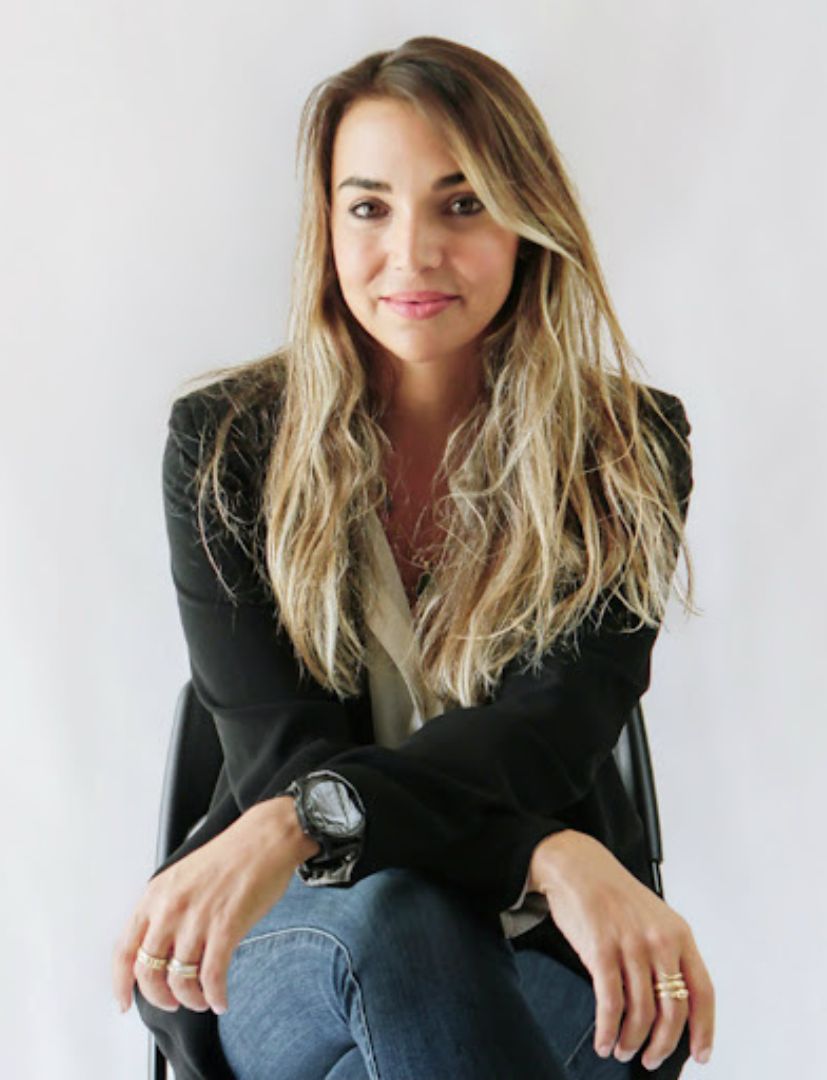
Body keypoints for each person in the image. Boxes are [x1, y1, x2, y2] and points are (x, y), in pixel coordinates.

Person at [110, 37, 716, 1079]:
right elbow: (278, 753)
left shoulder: (624, 451)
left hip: (538, 957)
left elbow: (543, 739)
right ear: (327, 225)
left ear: (528, 219)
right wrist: (542, 850)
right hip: (285, 949)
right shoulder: (227, 448)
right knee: (398, 919)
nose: (413, 252)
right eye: (369, 206)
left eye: (463, 202)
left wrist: (301, 820)